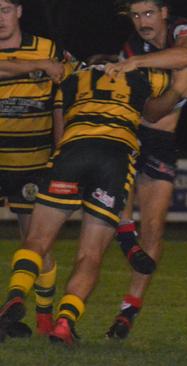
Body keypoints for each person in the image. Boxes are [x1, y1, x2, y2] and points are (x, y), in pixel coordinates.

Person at [0, 61, 187, 345]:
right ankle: (65, 321)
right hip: (114, 156)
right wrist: (179, 87)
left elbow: (59, 134)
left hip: (74, 149)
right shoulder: (138, 76)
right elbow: (159, 110)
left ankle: (16, 293)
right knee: (90, 254)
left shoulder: (71, 80)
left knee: (37, 238)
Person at [102, 0, 187, 339]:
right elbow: (152, 112)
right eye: (134, 15)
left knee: (155, 228)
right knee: (119, 198)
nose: (141, 21)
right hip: (133, 132)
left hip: (162, 143)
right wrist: (179, 87)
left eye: (148, 13)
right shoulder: (131, 48)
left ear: (164, 12)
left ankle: (128, 309)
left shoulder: (180, 30)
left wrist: (137, 64)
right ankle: (124, 232)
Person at [0, 0, 72, 336]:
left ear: (19, 11)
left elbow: (59, 101)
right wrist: (39, 65)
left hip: (32, 163)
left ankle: (44, 317)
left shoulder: (47, 47)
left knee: (36, 243)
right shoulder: (44, 56)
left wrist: (60, 154)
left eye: (3, 9)